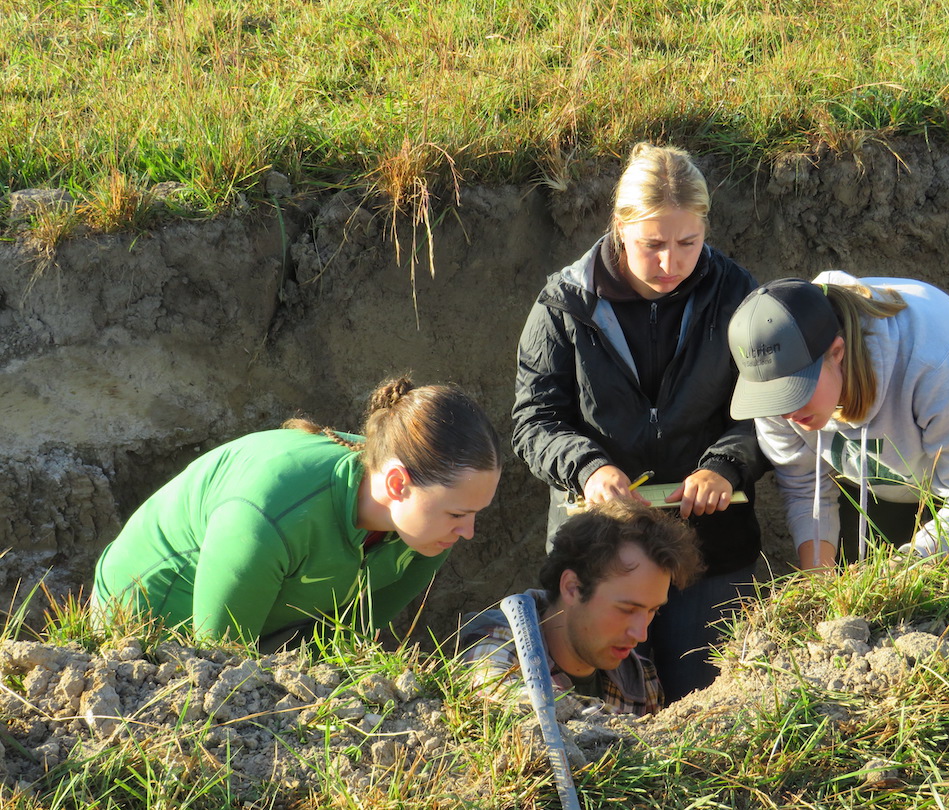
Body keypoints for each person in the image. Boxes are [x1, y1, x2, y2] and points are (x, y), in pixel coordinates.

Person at [512, 142, 769, 701]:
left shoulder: (738, 295)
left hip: (710, 554)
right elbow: (534, 420)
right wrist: (588, 469)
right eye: (652, 244)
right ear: (619, 227)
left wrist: (726, 467)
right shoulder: (564, 304)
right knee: (594, 721)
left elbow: (768, 411)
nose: (671, 264)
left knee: (704, 710)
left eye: (688, 243)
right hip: (600, 553)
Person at [92, 376, 502, 648]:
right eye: (458, 514)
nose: (469, 531)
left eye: (476, 513)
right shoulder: (271, 513)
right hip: (147, 625)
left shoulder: (430, 532)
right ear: (397, 484)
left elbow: (345, 641)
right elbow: (216, 666)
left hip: (263, 625)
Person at [727, 272, 949, 570]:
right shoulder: (776, 382)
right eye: (772, 398)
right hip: (879, 477)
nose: (786, 413)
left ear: (836, 353)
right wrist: (816, 582)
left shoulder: (936, 366)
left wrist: (900, 572)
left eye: (796, 391)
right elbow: (806, 487)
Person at [457, 498, 704, 716]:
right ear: (572, 587)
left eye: (652, 611)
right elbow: (504, 698)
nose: (641, 634)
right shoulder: (496, 643)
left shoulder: (641, 680)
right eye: (627, 609)